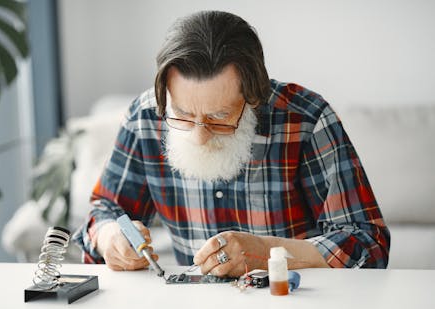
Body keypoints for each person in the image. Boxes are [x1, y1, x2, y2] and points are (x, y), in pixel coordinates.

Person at [73, 10, 390, 277]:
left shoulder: (306, 119)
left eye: (220, 116)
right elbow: (107, 211)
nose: (199, 135)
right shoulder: (145, 117)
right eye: (182, 114)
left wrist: (269, 252)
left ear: (254, 96)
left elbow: (369, 244)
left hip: (293, 304)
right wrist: (109, 236)